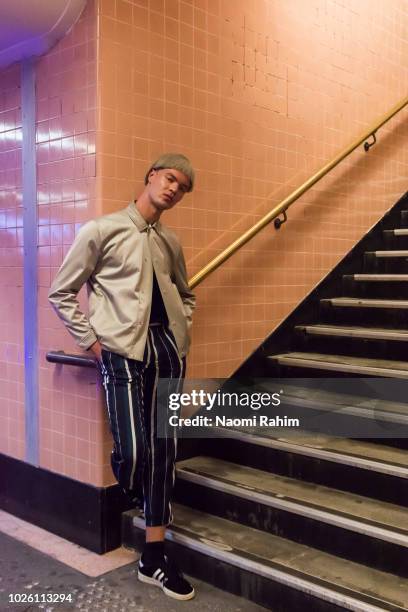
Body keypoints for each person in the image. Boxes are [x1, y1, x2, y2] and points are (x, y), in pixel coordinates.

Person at [48, 153, 196, 600]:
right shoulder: (102, 230)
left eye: (182, 187)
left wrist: (180, 333)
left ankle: (154, 556)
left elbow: (185, 294)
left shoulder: (169, 241)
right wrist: (94, 344)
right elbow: (62, 291)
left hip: (166, 352)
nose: (173, 189)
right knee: (134, 452)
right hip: (121, 354)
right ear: (151, 175)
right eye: (170, 178)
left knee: (164, 448)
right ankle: (140, 492)